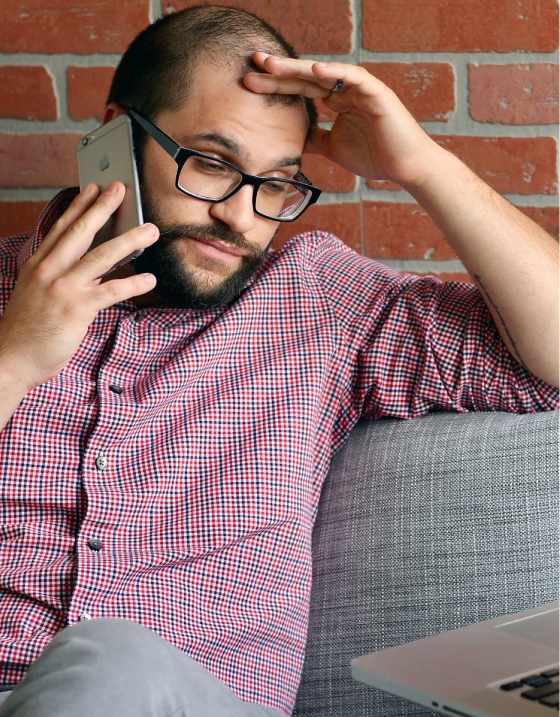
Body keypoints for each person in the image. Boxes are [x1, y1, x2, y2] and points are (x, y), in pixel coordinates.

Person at [0, 5, 560, 717]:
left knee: (111, 658)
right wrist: (13, 360)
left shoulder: (316, 303)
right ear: (115, 134)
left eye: (276, 183)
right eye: (211, 163)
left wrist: (419, 164)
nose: (242, 216)